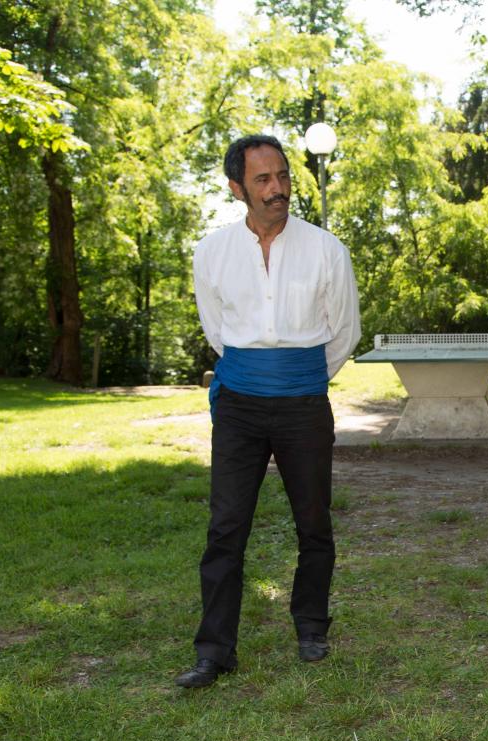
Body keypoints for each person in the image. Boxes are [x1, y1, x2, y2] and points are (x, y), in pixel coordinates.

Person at [176, 134, 361, 688]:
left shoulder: (327, 249)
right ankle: (214, 652)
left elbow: (344, 332)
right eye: (263, 179)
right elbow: (217, 331)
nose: (277, 188)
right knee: (226, 527)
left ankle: (311, 627)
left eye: (282, 176)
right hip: (239, 406)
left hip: (304, 404)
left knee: (314, 522)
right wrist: (259, 379)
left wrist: (298, 380)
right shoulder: (211, 252)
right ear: (237, 187)